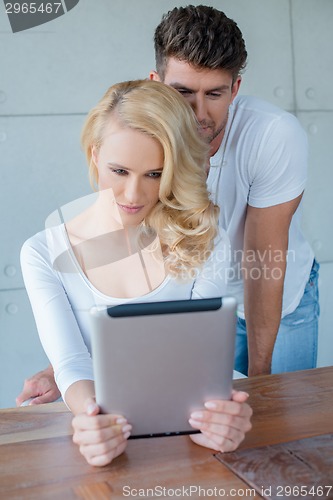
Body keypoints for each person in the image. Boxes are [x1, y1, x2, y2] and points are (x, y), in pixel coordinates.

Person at [17, 4, 319, 403]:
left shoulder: (273, 136)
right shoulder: (136, 134)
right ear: (156, 82)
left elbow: (263, 258)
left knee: (276, 419)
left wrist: (260, 380)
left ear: (236, 89)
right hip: (193, 291)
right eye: (182, 93)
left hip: (273, 292)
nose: (197, 113)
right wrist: (73, 362)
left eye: (215, 94)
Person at [19, 79, 252, 466]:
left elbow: (200, 358)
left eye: (155, 174)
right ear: (95, 155)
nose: (133, 195)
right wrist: (95, 419)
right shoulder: (43, 252)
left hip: (199, 406)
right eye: (119, 170)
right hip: (111, 416)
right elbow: (71, 363)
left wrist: (216, 419)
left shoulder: (206, 238)